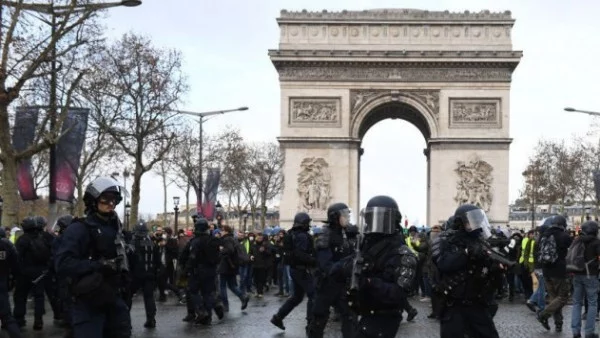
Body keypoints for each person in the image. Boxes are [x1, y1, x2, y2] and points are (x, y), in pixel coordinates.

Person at [55, 176, 132, 338]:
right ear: (92, 201)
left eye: (115, 200)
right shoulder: (78, 229)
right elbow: (63, 264)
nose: (111, 203)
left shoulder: (117, 229)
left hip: (115, 300)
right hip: (88, 303)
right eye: (106, 199)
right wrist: (98, 265)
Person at [346, 195, 417, 337]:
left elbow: (399, 294)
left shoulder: (403, 254)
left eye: (380, 218)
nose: (374, 224)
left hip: (385, 318)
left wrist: (370, 282)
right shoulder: (366, 246)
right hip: (364, 312)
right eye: (372, 218)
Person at [433, 204, 501, 338]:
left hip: (477, 303)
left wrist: (497, 265)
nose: (476, 224)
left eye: (477, 220)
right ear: (460, 223)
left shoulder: (481, 241)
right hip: (453, 305)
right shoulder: (444, 241)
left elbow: (490, 270)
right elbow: (444, 264)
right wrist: (466, 253)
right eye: (472, 220)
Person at [307, 202, 356, 338]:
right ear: (335, 217)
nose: (347, 217)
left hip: (342, 284)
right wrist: (348, 262)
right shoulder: (325, 234)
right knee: (319, 319)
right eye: (344, 215)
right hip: (326, 285)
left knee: (350, 317)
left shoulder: (347, 233)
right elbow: (326, 266)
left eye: (348, 214)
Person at [271, 212, 316, 332]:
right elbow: (300, 254)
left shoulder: (292, 233)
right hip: (301, 270)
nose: (309, 225)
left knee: (297, 297)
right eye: (308, 223)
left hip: (294, 269)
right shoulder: (302, 235)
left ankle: (278, 317)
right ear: (304, 223)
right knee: (313, 295)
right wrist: (314, 261)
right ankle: (311, 324)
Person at [13, 216, 54, 330]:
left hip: (24, 273)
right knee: (39, 297)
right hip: (40, 272)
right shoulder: (43, 239)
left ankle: (19, 320)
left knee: (20, 296)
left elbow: (17, 257)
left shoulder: (22, 239)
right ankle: (38, 320)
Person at [536, 215, 572, 332]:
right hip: (559, 271)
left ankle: (558, 324)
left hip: (546, 271)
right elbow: (570, 248)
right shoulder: (564, 236)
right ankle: (543, 314)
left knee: (554, 299)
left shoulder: (544, 235)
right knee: (562, 298)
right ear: (562, 224)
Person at [570, 220, 600, 338]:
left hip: (577, 273)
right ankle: (589, 332)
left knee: (577, 303)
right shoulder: (596, 242)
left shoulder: (577, 240)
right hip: (591, 274)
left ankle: (575, 332)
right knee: (592, 303)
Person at [129, 221, 160, 328]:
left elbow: (130, 260)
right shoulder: (152, 243)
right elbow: (158, 261)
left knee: (128, 296)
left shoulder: (133, 243)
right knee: (149, 297)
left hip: (136, 274)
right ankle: (151, 319)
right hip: (150, 274)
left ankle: (126, 321)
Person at [52, 215, 75, 337]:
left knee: (66, 299)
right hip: (75, 272)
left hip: (63, 274)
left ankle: (71, 326)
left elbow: (56, 257)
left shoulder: (59, 239)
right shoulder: (76, 237)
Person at [0, 226, 21, 338]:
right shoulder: (7, 245)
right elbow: (15, 263)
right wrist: (14, 278)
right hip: (2, 280)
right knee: (6, 315)